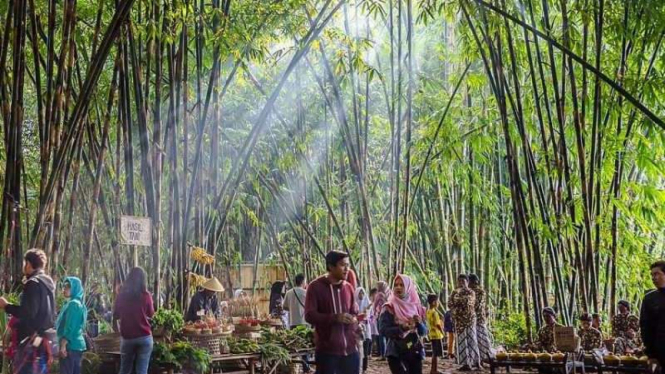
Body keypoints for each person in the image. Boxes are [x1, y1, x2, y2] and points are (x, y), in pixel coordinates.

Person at [0, 249, 56, 374]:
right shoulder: (48, 284)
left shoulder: (33, 283)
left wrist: (6, 306)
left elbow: (27, 313)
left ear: (29, 264)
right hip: (43, 340)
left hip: (31, 341)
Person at [304, 250, 359, 374]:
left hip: (351, 350)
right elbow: (309, 315)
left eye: (348, 265)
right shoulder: (315, 287)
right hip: (327, 352)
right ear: (331, 266)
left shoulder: (349, 288)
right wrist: (334, 318)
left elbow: (354, 311)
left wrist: (354, 320)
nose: (347, 269)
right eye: (342, 265)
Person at [379, 275, 427, 374]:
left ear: (408, 287)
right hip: (396, 352)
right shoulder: (389, 307)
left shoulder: (416, 306)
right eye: (396, 285)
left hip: (414, 350)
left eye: (402, 285)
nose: (398, 287)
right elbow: (383, 330)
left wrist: (419, 323)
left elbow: (424, 332)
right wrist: (402, 328)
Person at [113, 267, 155, 374]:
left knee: (125, 370)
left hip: (128, 338)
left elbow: (116, 314)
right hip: (144, 337)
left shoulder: (121, 296)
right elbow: (151, 314)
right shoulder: (146, 295)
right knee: (141, 371)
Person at [56, 277, 87, 374]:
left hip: (70, 346)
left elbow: (70, 327)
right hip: (75, 346)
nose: (64, 289)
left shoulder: (73, 304)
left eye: (67, 287)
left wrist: (63, 345)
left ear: (75, 288)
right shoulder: (76, 303)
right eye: (64, 286)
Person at [448, 274, 479, 371]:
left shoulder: (471, 292)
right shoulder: (454, 292)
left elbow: (467, 302)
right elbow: (450, 303)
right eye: (459, 281)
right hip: (459, 322)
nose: (461, 283)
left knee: (472, 341)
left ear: (467, 282)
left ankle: (475, 362)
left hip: (470, 320)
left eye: (463, 281)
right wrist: (456, 303)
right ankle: (465, 364)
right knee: (461, 342)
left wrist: (457, 301)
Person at [640, 260, 665, 369]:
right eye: (652, 275)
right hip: (660, 352)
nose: (653, 277)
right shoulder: (650, 298)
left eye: (657, 274)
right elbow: (645, 327)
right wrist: (651, 355)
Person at [283, 274, 310, 373]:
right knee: (305, 346)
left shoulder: (289, 293)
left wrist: (293, 307)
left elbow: (285, 307)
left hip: (292, 322)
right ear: (303, 282)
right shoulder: (306, 293)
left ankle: (293, 368)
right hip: (303, 323)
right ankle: (306, 367)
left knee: (294, 346)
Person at [469, 274, 492, 363]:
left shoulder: (480, 291)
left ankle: (487, 358)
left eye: (470, 281)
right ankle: (477, 360)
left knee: (482, 338)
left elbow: (478, 305)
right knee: (474, 339)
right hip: (471, 319)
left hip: (478, 318)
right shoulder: (470, 291)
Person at [355, 287, 372, 373]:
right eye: (359, 293)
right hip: (357, 329)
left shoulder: (368, 303)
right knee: (358, 350)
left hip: (366, 329)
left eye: (362, 293)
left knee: (365, 349)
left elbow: (371, 316)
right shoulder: (354, 305)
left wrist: (366, 314)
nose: (361, 295)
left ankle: (364, 368)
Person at [426, 294, 444, 374]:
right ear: (434, 303)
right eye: (437, 301)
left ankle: (433, 369)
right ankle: (434, 370)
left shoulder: (428, 312)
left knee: (434, 353)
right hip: (436, 335)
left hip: (431, 334)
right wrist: (442, 331)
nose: (438, 303)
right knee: (435, 354)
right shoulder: (435, 313)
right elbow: (437, 324)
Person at [372, 289, 387, 360]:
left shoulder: (379, 295)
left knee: (381, 336)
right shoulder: (387, 295)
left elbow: (376, 307)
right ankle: (385, 354)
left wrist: (376, 313)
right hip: (386, 316)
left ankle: (383, 355)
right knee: (385, 336)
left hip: (380, 316)